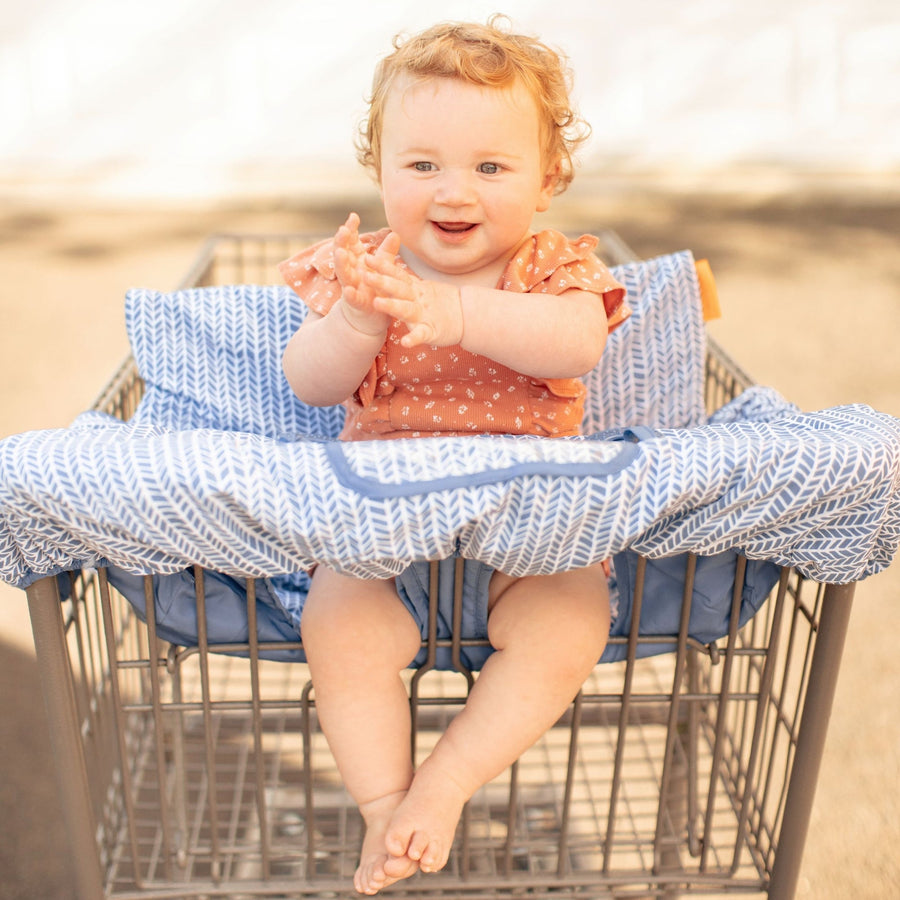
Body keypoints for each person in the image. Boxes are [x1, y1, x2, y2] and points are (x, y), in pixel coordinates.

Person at [279, 17, 631, 895]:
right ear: (381, 167)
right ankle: (384, 806)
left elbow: (576, 343)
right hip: (383, 523)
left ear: (548, 179)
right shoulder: (368, 269)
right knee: (340, 628)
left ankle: (446, 782)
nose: (453, 191)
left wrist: (460, 317)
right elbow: (308, 383)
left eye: (490, 166)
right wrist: (357, 323)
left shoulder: (552, 269)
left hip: (532, 526)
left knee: (568, 626)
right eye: (423, 164)